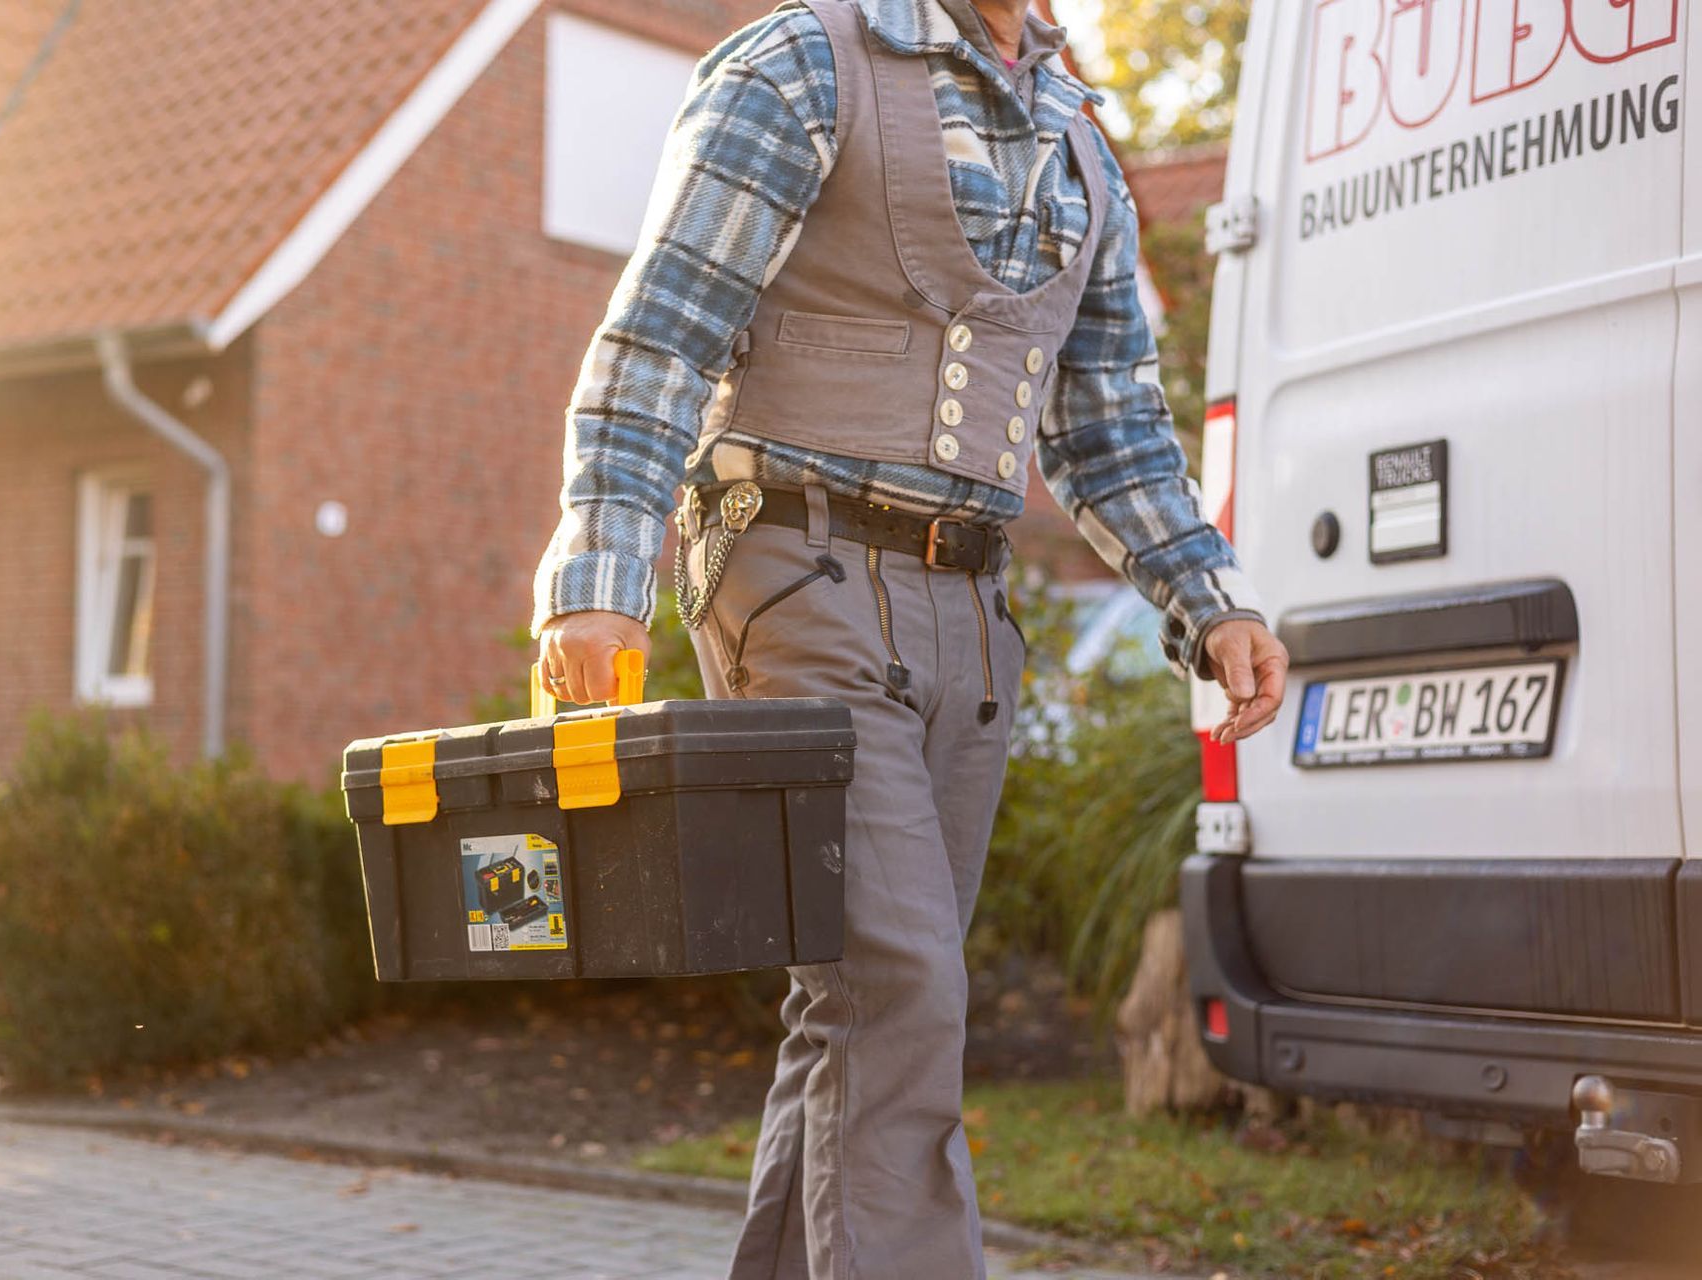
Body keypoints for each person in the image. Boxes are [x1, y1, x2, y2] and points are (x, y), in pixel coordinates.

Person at [530, 1, 1288, 1274]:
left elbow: (1108, 424)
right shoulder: (800, 66)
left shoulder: (1082, 140)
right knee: (898, 990)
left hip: (969, 612)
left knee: (856, 1007)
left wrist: (1211, 595)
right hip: (794, 575)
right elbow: (660, 332)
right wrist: (599, 576)